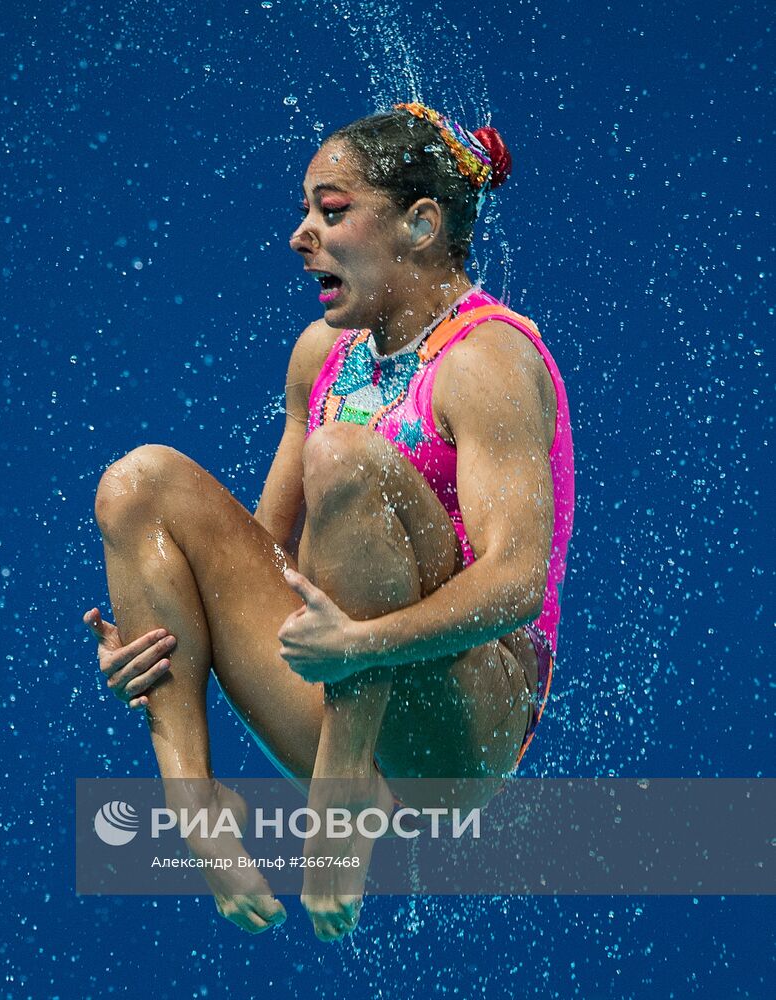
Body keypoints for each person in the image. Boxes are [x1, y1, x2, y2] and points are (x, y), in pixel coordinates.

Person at [83, 102, 574, 942]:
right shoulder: (323, 356)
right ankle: (193, 803)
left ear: (420, 224)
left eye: (332, 209)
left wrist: (362, 646)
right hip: (341, 680)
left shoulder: (490, 361)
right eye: (308, 210)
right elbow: (266, 561)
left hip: (457, 736)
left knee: (344, 457)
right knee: (139, 482)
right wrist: (156, 634)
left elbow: (516, 583)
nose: (301, 234)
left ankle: (345, 792)